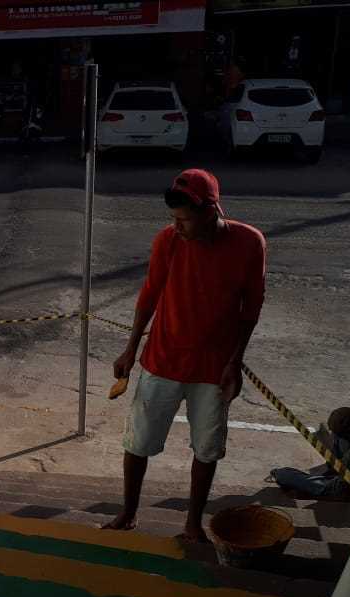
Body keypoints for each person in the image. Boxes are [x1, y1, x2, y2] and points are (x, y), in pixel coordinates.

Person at [104, 169, 265, 541]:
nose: (176, 227)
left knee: (207, 449)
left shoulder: (249, 242)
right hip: (162, 360)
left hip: (214, 369)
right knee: (138, 443)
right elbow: (149, 295)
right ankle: (128, 513)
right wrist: (130, 349)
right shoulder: (167, 240)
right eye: (173, 219)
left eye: (184, 220)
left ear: (210, 211)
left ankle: (193, 524)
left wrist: (234, 363)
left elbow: (251, 308)